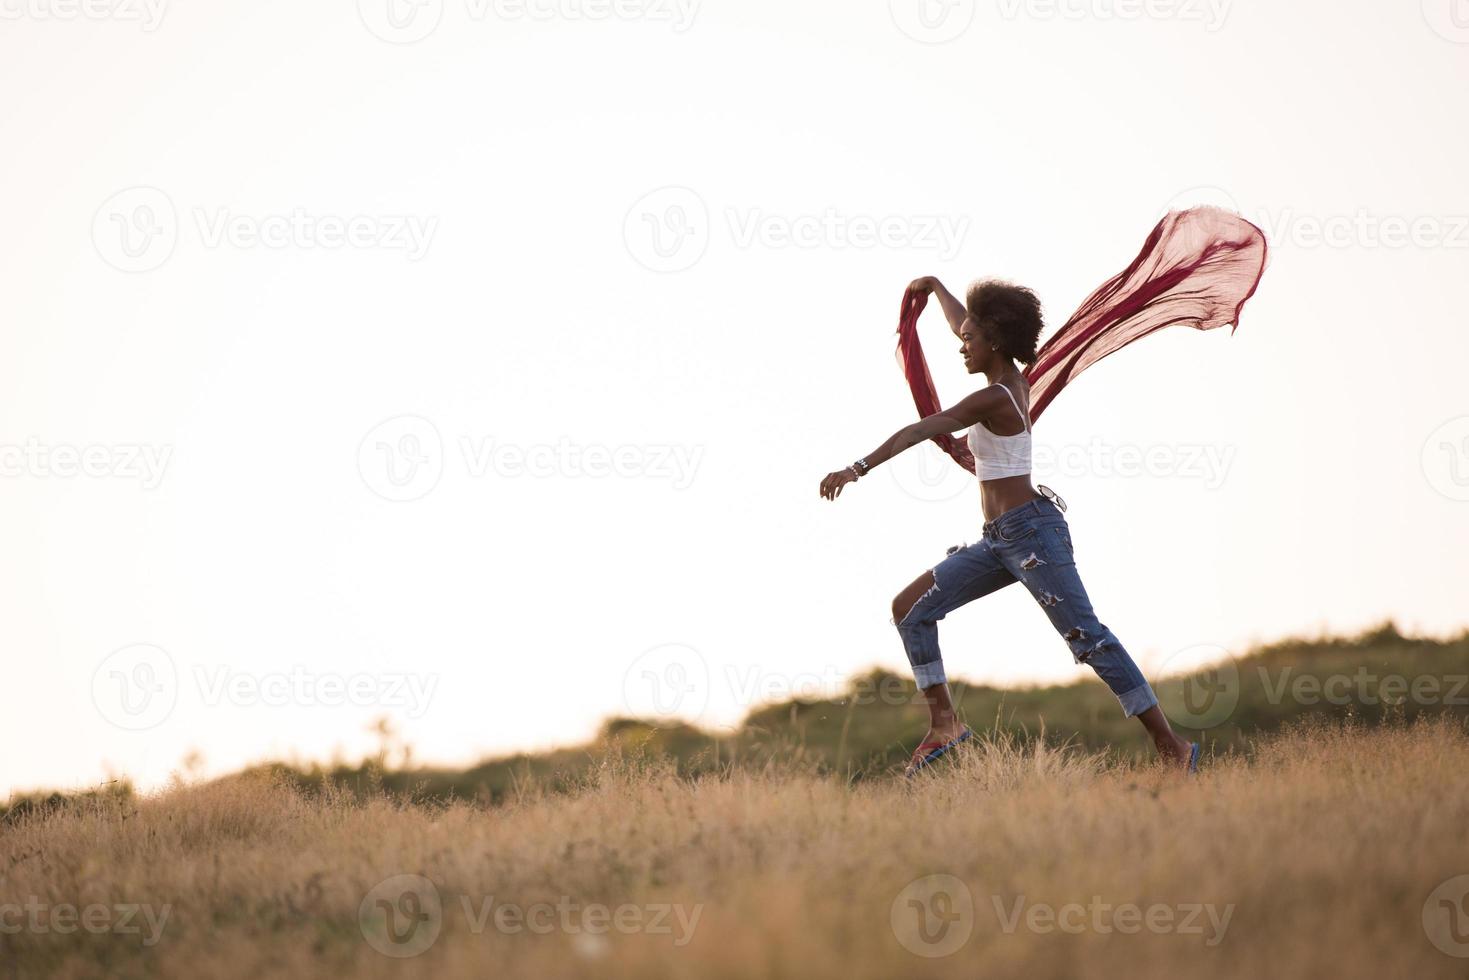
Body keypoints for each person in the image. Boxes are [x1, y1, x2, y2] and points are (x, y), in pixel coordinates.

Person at [818, 276, 1199, 777]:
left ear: (994, 341)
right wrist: (935, 290)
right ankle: (945, 724)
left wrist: (856, 468)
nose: (962, 346)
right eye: (962, 338)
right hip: (999, 542)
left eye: (969, 341)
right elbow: (967, 324)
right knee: (909, 609)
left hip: (1032, 535)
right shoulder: (1009, 377)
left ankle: (1172, 747)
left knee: (1089, 639)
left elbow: (920, 429)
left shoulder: (996, 397)